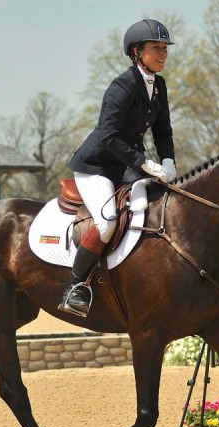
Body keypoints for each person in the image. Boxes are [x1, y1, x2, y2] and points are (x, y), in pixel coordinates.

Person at [58, 19, 176, 317]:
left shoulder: (158, 85)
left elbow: (163, 132)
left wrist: (168, 161)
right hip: (97, 165)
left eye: (165, 48)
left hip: (127, 164)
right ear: (137, 51)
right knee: (107, 221)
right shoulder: (121, 87)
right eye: (156, 48)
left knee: (159, 204)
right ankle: (75, 287)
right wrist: (145, 163)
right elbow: (108, 135)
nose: (163, 54)